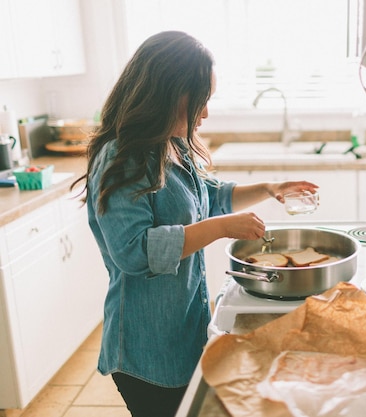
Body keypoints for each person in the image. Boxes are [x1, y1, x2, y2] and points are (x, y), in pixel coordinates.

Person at [70, 30, 318, 417]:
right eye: (201, 101)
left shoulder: (171, 143)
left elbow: (209, 196)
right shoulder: (123, 157)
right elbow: (134, 252)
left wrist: (270, 189)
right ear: (169, 94)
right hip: (146, 348)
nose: (205, 113)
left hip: (183, 331)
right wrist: (221, 228)